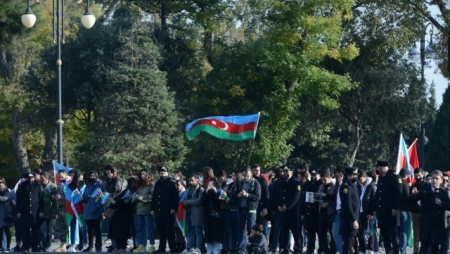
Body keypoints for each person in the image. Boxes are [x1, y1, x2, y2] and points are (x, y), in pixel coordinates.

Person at [411, 170, 450, 254]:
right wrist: (414, 195)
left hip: (437, 225)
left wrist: (441, 203)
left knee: (435, 249)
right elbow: (417, 198)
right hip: (426, 224)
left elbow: (448, 205)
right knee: (424, 248)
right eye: (433, 178)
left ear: (441, 180)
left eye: (436, 178)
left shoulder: (444, 192)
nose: (434, 180)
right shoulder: (425, 189)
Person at [371, 160, 402, 254]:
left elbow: (398, 194)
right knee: (384, 235)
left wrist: (395, 208)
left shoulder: (395, 178)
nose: (377, 169)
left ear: (382, 167)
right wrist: (375, 209)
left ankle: (396, 251)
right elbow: (378, 195)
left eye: (378, 167)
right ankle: (388, 251)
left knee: (393, 234)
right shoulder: (381, 178)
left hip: (391, 212)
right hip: (382, 212)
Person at [150, 166, 178, 254]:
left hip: (168, 211)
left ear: (167, 173)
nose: (162, 175)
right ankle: (161, 248)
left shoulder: (171, 183)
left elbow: (175, 197)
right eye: (161, 173)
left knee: (169, 231)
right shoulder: (158, 183)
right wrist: (152, 208)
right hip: (159, 211)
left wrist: (173, 208)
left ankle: (173, 248)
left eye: (164, 173)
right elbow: (154, 197)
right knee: (161, 231)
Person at [275, 166, 301, 254]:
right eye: (284, 171)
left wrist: (287, 206)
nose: (285, 173)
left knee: (295, 231)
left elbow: (295, 197)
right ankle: (285, 248)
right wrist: (279, 206)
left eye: (287, 171)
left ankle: (297, 248)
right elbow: (277, 196)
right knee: (284, 231)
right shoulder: (280, 183)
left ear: (291, 172)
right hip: (283, 211)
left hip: (292, 211)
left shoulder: (296, 183)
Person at [16, 172, 44, 253]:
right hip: (25, 212)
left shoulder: (38, 186)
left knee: (36, 231)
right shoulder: (21, 186)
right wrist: (18, 211)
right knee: (25, 231)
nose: (31, 179)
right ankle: (26, 247)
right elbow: (18, 200)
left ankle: (35, 247)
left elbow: (41, 199)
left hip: (36, 212)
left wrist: (41, 211)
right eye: (29, 177)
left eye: (32, 177)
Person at [133, 169, 156, 253]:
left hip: (148, 210)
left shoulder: (152, 185)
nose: (142, 176)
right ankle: (141, 245)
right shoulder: (139, 185)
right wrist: (135, 197)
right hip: (139, 210)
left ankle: (152, 245)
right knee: (140, 229)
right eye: (141, 174)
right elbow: (135, 194)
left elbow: (152, 197)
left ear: (148, 175)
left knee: (149, 228)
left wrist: (142, 198)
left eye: (144, 174)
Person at [81, 171, 104, 252]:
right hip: (88, 211)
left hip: (96, 211)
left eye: (94, 175)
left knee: (98, 230)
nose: (92, 177)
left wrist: (97, 207)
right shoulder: (87, 186)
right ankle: (90, 246)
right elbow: (84, 196)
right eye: (91, 175)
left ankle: (99, 246)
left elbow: (102, 199)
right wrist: (83, 198)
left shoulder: (99, 186)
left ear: (97, 177)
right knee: (89, 230)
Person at [339, 166, 360, 254]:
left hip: (352, 220)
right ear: (348, 175)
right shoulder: (346, 187)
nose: (356, 177)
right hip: (349, 221)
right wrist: (354, 220)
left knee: (350, 244)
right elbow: (347, 205)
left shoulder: (352, 186)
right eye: (354, 175)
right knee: (348, 245)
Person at [182, 174, 205, 254]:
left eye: (192, 180)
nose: (190, 182)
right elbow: (185, 198)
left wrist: (188, 202)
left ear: (197, 180)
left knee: (198, 231)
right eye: (189, 181)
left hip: (196, 213)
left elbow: (199, 201)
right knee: (189, 231)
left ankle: (198, 248)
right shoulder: (188, 189)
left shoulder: (200, 189)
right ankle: (188, 247)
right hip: (188, 213)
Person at [108, 178, 133, 251]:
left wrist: (116, 203)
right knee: (116, 231)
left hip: (123, 215)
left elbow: (126, 204)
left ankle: (123, 246)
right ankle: (117, 246)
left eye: (118, 185)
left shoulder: (126, 193)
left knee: (122, 231)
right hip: (115, 215)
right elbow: (111, 204)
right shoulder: (115, 193)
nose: (117, 186)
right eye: (116, 185)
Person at [316, 166, 336, 254]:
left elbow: (336, 200)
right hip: (322, 212)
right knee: (321, 234)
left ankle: (332, 251)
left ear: (329, 177)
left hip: (330, 213)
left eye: (325, 179)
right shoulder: (321, 186)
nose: (323, 181)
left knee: (331, 234)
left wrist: (328, 203)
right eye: (322, 179)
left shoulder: (334, 187)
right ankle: (325, 250)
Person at [301, 169, 322, 254]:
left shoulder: (320, 184)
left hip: (317, 212)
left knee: (320, 234)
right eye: (312, 175)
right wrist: (303, 212)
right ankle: (310, 249)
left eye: (315, 175)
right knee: (310, 233)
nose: (313, 177)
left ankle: (321, 249)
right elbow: (304, 200)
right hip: (309, 212)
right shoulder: (308, 184)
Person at [357, 170, 376, 254]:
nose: (359, 180)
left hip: (368, 212)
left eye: (360, 179)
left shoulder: (371, 186)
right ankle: (362, 248)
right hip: (360, 211)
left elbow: (373, 201)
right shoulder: (359, 186)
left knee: (369, 230)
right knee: (360, 231)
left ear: (365, 177)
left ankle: (370, 248)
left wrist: (371, 213)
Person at [38, 171, 57, 252]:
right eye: (40, 177)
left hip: (50, 211)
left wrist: (55, 212)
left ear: (47, 177)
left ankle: (47, 245)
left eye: (42, 177)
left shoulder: (53, 187)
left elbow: (56, 201)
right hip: (41, 211)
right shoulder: (39, 186)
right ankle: (42, 244)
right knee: (41, 229)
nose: (41, 179)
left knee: (49, 230)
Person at [204, 177, 224, 254]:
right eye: (209, 184)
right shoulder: (206, 192)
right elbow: (203, 201)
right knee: (209, 232)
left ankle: (217, 249)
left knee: (217, 233)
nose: (211, 185)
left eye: (212, 184)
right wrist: (206, 191)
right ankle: (209, 249)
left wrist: (215, 193)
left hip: (217, 215)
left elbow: (221, 202)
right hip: (208, 215)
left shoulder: (220, 191)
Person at [410, 168, 425, 254]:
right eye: (416, 176)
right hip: (415, 212)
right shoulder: (413, 185)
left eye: (419, 175)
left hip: (424, 213)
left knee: (424, 233)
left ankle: (424, 249)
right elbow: (410, 199)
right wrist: (413, 195)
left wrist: (418, 194)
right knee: (416, 234)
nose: (417, 177)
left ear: (422, 174)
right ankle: (416, 250)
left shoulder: (426, 185)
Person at [251, 164, 269, 236]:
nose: (258, 172)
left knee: (261, 227)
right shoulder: (250, 180)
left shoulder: (263, 180)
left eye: (259, 170)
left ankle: (263, 244)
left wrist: (265, 207)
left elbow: (266, 194)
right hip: (252, 206)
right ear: (252, 171)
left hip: (261, 207)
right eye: (255, 170)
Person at [331, 166, 345, 254]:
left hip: (343, 211)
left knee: (344, 235)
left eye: (339, 173)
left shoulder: (346, 184)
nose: (337, 174)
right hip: (336, 211)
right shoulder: (337, 184)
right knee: (335, 233)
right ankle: (341, 251)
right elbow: (335, 197)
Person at [398, 168, 411, 254]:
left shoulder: (396, 184)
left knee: (399, 230)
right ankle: (403, 250)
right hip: (404, 210)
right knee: (404, 231)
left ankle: (400, 248)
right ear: (406, 175)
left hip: (397, 209)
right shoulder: (405, 185)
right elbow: (407, 197)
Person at [0, 178, 14, 253]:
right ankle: (1, 247)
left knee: (6, 231)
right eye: (0, 186)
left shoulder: (8, 193)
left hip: (6, 216)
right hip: (0, 216)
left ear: (5, 186)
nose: (1, 187)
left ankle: (7, 246)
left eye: (2, 185)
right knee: (0, 232)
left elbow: (4, 199)